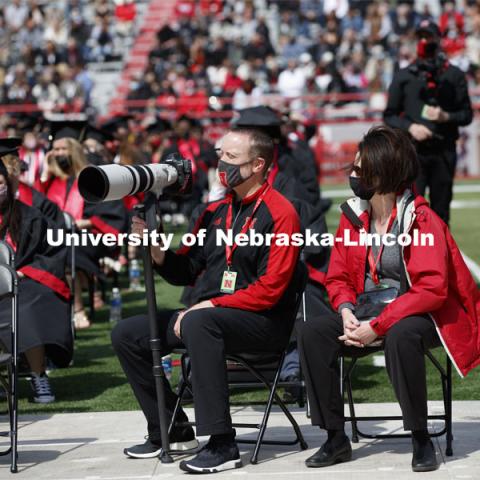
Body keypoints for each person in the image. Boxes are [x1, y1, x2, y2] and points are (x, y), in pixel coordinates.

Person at [111, 128, 301, 473]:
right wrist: (155, 249)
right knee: (127, 333)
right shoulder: (213, 211)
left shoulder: (281, 212)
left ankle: (222, 442)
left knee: (200, 321)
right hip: (211, 318)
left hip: (264, 321)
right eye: (219, 155)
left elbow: (271, 288)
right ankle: (172, 430)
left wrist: (210, 306)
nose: (220, 164)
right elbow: (186, 269)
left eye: (230, 157)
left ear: (258, 164)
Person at [297, 125, 480, 472]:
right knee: (312, 332)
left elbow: (432, 289)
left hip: (421, 313)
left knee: (401, 335)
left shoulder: (422, 218)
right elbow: (336, 276)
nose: (352, 175)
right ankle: (335, 437)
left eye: (359, 169)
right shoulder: (353, 217)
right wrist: (346, 309)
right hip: (366, 308)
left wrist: (377, 326)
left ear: (384, 172)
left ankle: (420, 437)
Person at [0, 138, 73, 404]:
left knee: (27, 307)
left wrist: (21, 273)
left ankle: (38, 374)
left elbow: (51, 252)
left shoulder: (29, 215)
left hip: (24, 280)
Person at [35, 128, 127, 329]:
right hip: (57, 237)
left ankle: (78, 310)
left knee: (67, 252)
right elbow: (36, 208)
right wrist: (44, 172)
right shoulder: (51, 181)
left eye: (63, 149)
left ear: (75, 151)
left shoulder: (92, 177)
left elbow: (112, 213)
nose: (59, 153)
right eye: (55, 149)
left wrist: (87, 222)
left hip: (89, 237)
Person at [383, 19, 473, 225]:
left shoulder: (453, 75)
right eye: (421, 37)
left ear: (438, 39)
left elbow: (466, 115)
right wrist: (411, 127)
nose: (424, 41)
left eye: (429, 36)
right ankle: (411, 256)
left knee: (441, 212)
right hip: (413, 153)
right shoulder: (404, 76)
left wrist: (446, 117)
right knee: (410, 210)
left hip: (443, 151)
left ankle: (439, 256)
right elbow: (389, 115)